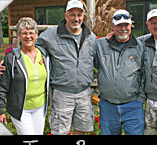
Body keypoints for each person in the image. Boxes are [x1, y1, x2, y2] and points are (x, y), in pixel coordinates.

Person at [36, 0, 96, 135]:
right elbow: (30, 47)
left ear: (83, 16)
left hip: (84, 92)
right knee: (59, 131)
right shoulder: (50, 35)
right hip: (62, 93)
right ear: (66, 15)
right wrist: (12, 57)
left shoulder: (90, 37)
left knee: (81, 128)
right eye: (72, 15)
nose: (76, 18)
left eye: (79, 15)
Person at [95, 9, 145, 135]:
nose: (123, 28)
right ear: (113, 27)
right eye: (119, 25)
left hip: (133, 104)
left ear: (131, 26)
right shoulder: (100, 45)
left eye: (126, 25)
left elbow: (146, 73)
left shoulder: (140, 46)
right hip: (108, 105)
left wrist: (141, 98)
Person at [0, 17, 50, 135]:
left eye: (31, 33)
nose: (28, 36)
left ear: (36, 35)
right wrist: (1, 109)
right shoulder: (12, 58)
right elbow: (3, 86)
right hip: (20, 109)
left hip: (40, 107)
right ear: (19, 36)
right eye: (24, 33)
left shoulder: (45, 54)